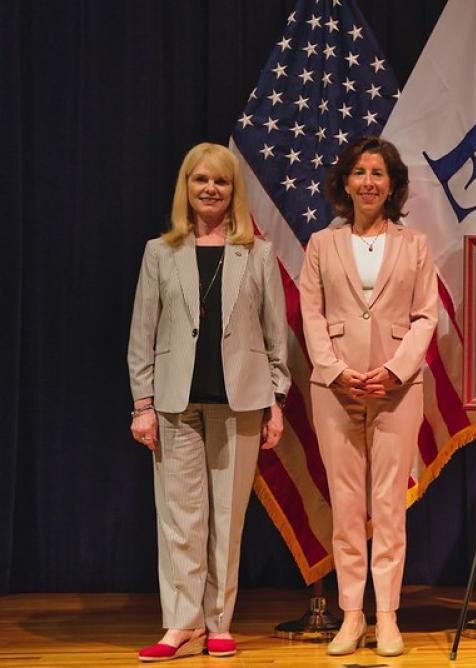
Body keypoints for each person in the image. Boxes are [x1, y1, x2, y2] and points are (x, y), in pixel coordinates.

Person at [127, 142, 290, 662]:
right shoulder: (161, 252)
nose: (210, 189)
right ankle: (181, 624)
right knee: (180, 518)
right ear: (187, 188)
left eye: (220, 181)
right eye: (200, 180)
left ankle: (219, 622)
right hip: (175, 405)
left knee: (227, 519)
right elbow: (142, 334)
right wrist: (142, 404)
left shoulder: (257, 254)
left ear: (233, 191)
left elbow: (274, 335)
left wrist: (277, 399)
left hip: (239, 403)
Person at [299, 136, 438, 658]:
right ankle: (351, 615)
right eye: (360, 173)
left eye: (378, 173)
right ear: (344, 183)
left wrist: (397, 371)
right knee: (347, 507)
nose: (369, 182)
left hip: (396, 391)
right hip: (336, 391)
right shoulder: (320, 244)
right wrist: (334, 371)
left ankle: (387, 616)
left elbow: (427, 314)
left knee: (388, 505)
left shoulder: (415, 244)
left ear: (393, 184)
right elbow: (310, 314)